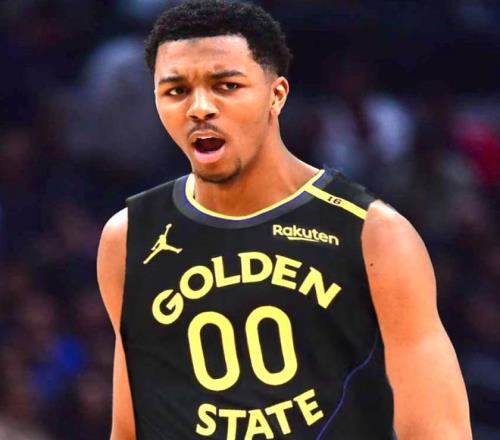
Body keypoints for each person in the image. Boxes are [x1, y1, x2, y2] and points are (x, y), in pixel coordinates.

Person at [97, 1, 472, 438]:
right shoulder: (129, 238)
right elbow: (130, 429)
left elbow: (439, 429)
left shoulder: (374, 235)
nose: (199, 108)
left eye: (226, 86)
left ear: (277, 95)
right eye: (176, 90)